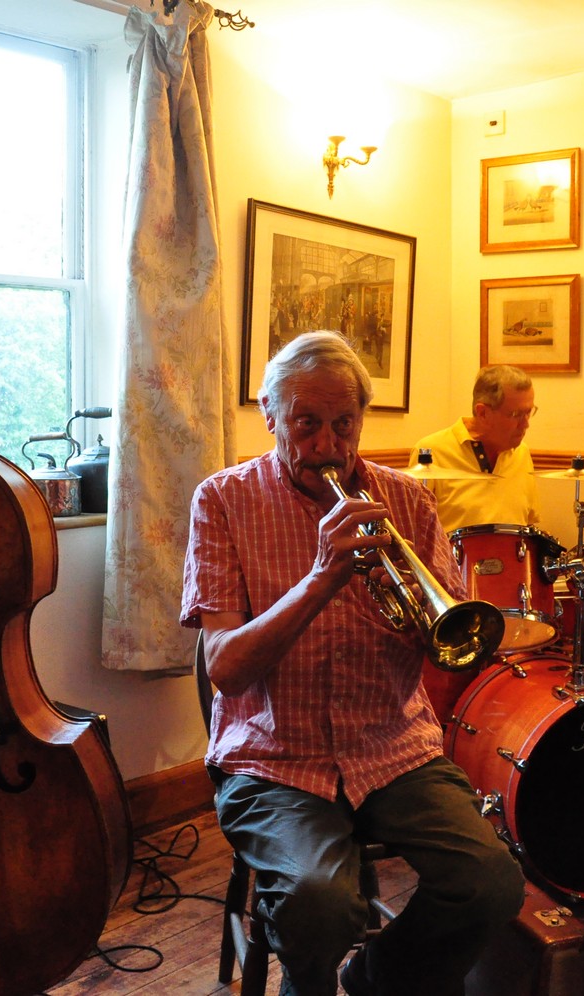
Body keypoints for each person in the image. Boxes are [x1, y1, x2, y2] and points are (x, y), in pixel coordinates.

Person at [180, 330, 524, 996]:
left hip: (392, 749)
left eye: (345, 425)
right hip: (272, 756)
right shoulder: (222, 500)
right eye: (306, 424)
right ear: (271, 415)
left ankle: (378, 977)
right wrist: (321, 578)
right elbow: (225, 668)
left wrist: (433, 623)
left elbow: (448, 631)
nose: (328, 445)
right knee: (320, 903)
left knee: (491, 882)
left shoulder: (406, 500)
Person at [408, 363, 541, 534]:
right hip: (449, 560)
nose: (526, 424)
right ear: (482, 412)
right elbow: (413, 532)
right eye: (516, 415)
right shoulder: (430, 451)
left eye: (528, 412)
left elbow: (529, 525)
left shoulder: (522, 453)